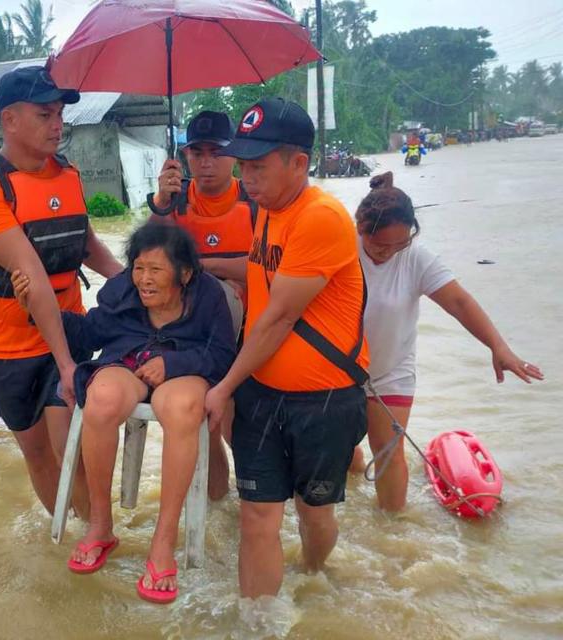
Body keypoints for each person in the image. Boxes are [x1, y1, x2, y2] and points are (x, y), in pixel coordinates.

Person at [12, 223, 235, 604]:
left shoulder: (210, 296)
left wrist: (175, 362)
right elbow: (87, 334)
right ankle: (101, 525)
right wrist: (34, 304)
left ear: (184, 273)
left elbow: (222, 354)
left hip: (186, 370)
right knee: (100, 398)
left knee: (181, 408)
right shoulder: (122, 292)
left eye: (156, 270)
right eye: (139, 268)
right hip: (127, 361)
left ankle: (162, 544)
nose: (144, 280)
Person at [204, 98, 369, 599]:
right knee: (257, 515)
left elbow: (277, 318)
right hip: (261, 392)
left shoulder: (320, 217)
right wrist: (192, 263)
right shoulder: (269, 213)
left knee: (312, 512)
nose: (246, 176)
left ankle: (313, 575)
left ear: (299, 162)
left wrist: (224, 386)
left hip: (322, 402)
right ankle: (257, 626)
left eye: (258, 165)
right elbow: (257, 275)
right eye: (244, 165)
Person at [0, 66, 123, 517]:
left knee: (75, 446)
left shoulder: (67, 175)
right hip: (8, 346)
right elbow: (28, 268)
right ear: (9, 120)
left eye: (60, 115)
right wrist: (67, 363)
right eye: (45, 114)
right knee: (38, 454)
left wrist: (138, 286)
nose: (58, 125)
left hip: (68, 332)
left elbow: (87, 246)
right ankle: (63, 536)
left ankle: (95, 531)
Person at [348, 172, 544, 511]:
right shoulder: (340, 248)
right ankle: (350, 470)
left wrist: (498, 347)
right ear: (360, 229)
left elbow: (459, 302)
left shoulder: (417, 258)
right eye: (380, 246)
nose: (390, 253)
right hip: (340, 371)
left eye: (400, 244)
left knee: (389, 453)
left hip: (391, 371)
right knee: (341, 452)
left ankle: (392, 531)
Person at [150, 110, 256, 500]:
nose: (207, 162)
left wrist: (202, 265)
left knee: (239, 430)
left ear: (235, 155)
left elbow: (270, 264)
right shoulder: (174, 203)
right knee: (206, 431)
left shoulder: (256, 200)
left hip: (250, 335)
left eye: (217, 152)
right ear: (186, 156)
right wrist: (161, 200)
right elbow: (149, 263)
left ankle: (254, 503)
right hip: (192, 336)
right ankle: (217, 510)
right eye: (198, 153)